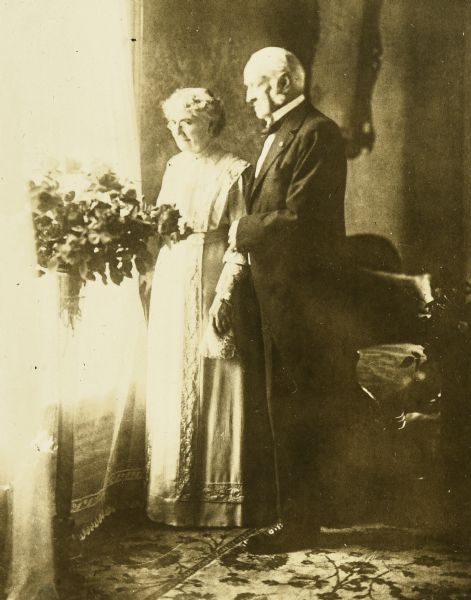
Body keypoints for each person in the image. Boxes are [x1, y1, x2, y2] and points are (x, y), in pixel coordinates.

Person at [228, 47, 349, 552]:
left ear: (278, 83)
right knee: (280, 405)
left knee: (295, 406)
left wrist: (241, 229)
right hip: (273, 292)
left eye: (253, 88)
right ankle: (291, 514)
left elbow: (300, 219)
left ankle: (300, 524)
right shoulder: (282, 131)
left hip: (302, 297)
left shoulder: (317, 132)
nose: (250, 98)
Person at [146, 88, 276, 527]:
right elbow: (166, 226)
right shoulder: (174, 166)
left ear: (211, 123)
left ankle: (217, 500)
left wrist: (224, 295)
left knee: (215, 373)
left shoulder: (235, 171)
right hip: (173, 276)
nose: (178, 131)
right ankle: (172, 497)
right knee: (174, 375)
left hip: (213, 278)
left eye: (187, 122)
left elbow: (241, 242)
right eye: (173, 124)